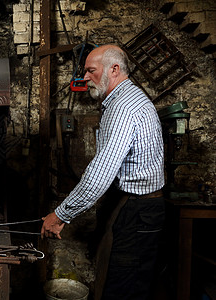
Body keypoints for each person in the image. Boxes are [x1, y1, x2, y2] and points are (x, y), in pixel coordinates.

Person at [41, 44, 165, 300]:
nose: (85, 77)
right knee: (118, 282)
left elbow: (101, 172)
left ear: (114, 69)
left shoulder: (124, 107)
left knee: (123, 289)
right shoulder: (120, 100)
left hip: (138, 212)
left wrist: (61, 214)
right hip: (130, 206)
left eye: (91, 71)